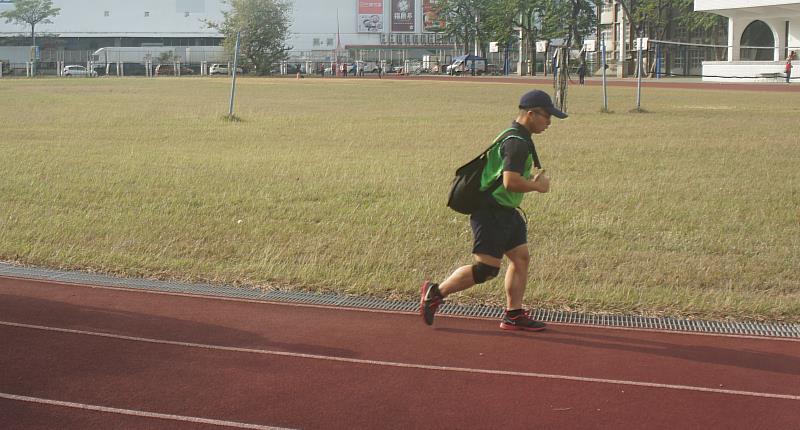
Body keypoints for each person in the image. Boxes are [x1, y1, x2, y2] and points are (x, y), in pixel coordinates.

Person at [420, 90, 567, 331]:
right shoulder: (516, 143)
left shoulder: (516, 136)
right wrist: (537, 187)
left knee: (520, 259)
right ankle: (435, 292)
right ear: (531, 114)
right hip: (492, 213)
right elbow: (510, 181)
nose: (549, 123)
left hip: (507, 212)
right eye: (547, 117)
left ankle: (513, 314)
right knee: (486, 270)